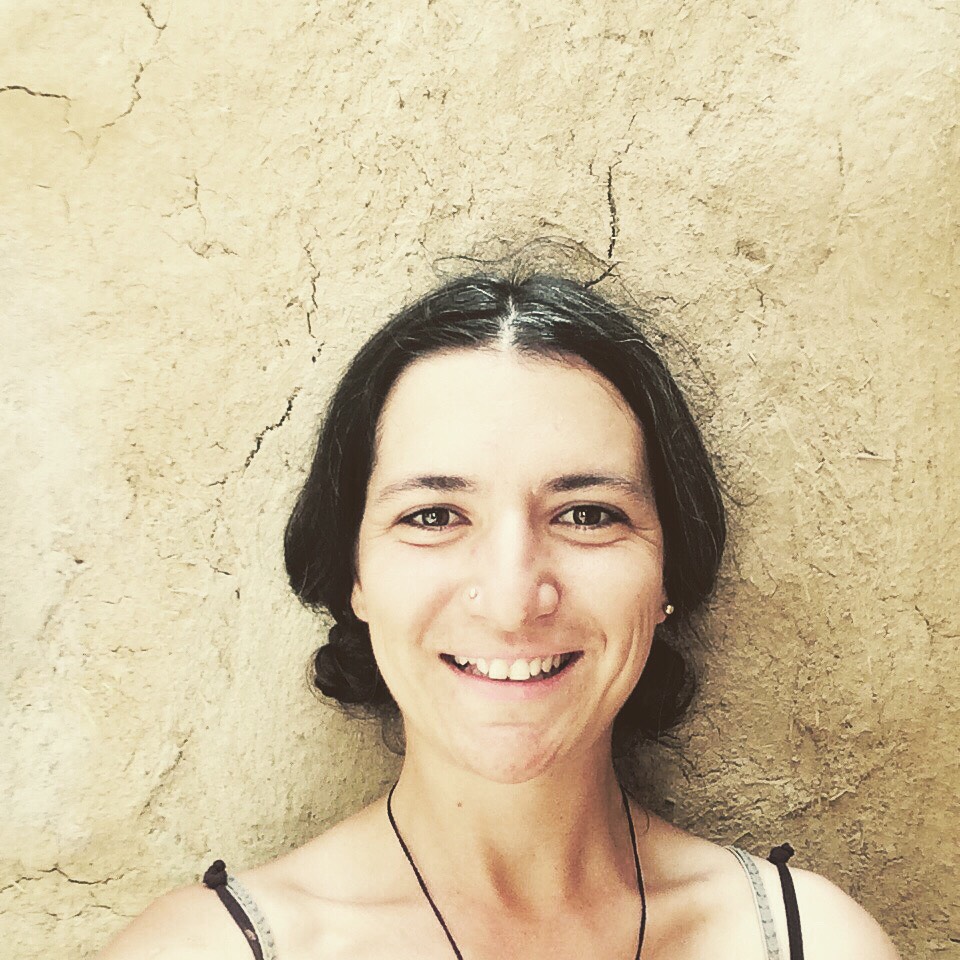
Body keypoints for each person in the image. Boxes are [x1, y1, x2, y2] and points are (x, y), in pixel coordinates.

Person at [99, 272, 899, 959]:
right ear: (355, 576)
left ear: (668, 575)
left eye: (587, 515)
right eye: (434, 516)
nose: (514, 603)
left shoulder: (810, 943)